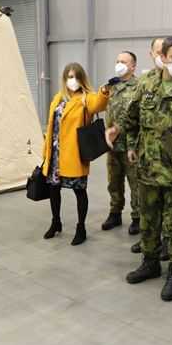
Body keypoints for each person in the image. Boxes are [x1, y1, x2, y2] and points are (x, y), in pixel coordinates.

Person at [106, 36, 172, 301]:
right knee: (148, 220)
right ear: (162, 57)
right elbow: (130, 118)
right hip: (148, 171)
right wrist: (116, 128)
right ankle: (151, 262)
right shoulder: (147, 85)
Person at [42, 63, 110, 246]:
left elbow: (99, 105)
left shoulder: (86, 98)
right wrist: (45, 150)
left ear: (82, 79)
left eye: (76, 77)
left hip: (74, 153)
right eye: (70, 77)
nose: (73, 81)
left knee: (79, 190)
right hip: (55, 153)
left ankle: (81, 228)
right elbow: (51, 126)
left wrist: (104, 91)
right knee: (53, 189)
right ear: (64, 79)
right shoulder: (57, 98)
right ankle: (56, 222)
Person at [130, 37, 164, 255]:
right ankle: (149, 242)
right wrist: (133, 145)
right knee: (149, 206)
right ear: (151, 54)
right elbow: (135, 120)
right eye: (158, 52)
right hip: (148, 157)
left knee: (171, 208)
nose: (161, 56)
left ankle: (168, 243)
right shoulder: (144, 82)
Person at [101, 51, 140, 235]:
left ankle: (137, 217)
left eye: (123, 61)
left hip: (130, 144)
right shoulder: (112, 86)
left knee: (135, 184)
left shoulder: (138, 86)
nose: (119, 64)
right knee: (113, 182)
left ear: (132, 66)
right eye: (117, 61)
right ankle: (115, 213)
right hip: (112, 145)